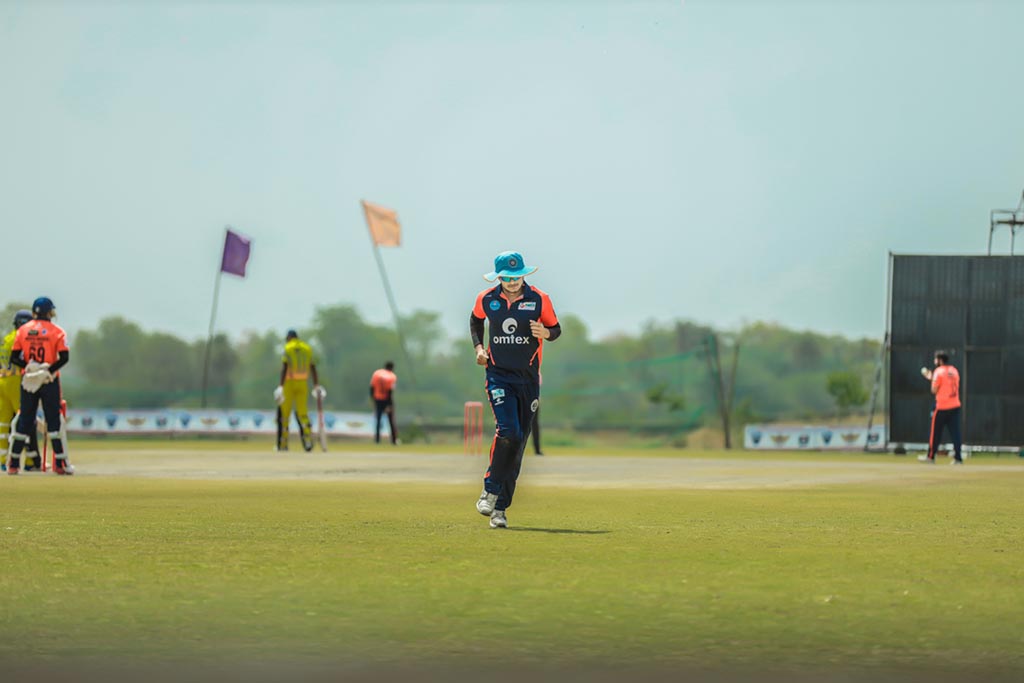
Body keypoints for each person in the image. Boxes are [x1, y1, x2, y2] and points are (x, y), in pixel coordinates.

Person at [470, 251, 561, 528]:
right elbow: (476, 320)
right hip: (498, 376)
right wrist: (479, 348)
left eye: (516, 277)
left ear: (523, 275)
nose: (512, 282)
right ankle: (489, 490)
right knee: (508, 432)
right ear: (498, 277)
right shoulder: (486, 298)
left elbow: (555, 329)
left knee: (518, 443)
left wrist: (545, 333)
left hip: (528, 380)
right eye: (507, 278)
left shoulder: (539, 299)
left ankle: (500, 509)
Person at [7, 297, 73, 475]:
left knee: (25, 420)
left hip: (28, 379)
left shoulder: (23, 330)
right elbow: (64, 358)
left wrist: (29, 367)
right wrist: (47, 370)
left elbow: (14, 358)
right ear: (49, 312)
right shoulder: (57, 331)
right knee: (53, 420)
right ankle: (60, 464)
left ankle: (13, 464)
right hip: (49, 381)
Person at [273, 329, 325, 452]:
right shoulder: (307, 348)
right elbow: (313, 367)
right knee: (303, 413)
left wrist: (280, 386)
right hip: (302, 383)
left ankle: (283, 445)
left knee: (285, 415)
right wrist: (316, 385)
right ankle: (308, 441)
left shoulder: (288, 348)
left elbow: (285, 367)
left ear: (288, 338)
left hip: (289, 383)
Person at [1, 310, 37, 471]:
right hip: (16, 381)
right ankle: (30, 461)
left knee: (3, 424)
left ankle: (2, 459)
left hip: (2, 381)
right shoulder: (21, 338)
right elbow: (23, 359)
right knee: (25, 420)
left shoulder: (6, 338)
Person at [918, 349, 963, 465]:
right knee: (955, 433)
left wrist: (932, 378)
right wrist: (933, 377)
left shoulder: (938, 371)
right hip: (955, 406)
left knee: (935, 433)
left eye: (936, 359)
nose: (934, 361)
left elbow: (934, 390)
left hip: (942, 407)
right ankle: (958, 458)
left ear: (940, 360)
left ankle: (931, 457)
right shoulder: (954, 371)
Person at [369, 361, 398, 445]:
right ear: (392, 368)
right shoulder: (392, 376)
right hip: (386, 399)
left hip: (377, 399)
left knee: (378, 420)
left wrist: (373, 399)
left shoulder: (377, 374)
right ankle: (394, 440)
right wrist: (390, 404)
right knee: (391, 420)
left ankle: (377, 440)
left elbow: (372, 387)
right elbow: (390, 391)